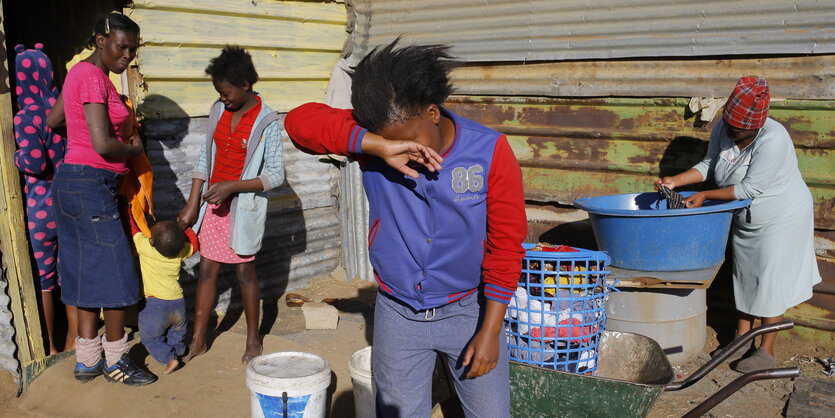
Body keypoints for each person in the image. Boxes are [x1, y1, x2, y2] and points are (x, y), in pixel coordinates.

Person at [285, 40, 527, 417]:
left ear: (433, 112)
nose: (406, 152)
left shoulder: (489, 151)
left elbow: (506, 246)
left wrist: (491, 331)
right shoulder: (375, 143)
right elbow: (299, 123)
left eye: (410, 140)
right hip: (398, 315)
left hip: (469, 312)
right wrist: (373, 144)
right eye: (391, 143)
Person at [655, 76, 821, 373]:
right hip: (745, 217)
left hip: (781, 218)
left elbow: (748, 190)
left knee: (769, 282)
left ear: (757, 125)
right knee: (744, 275)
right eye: (729, 123)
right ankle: (742, 337)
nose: (731, 131)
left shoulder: (774, 139)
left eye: (738, 128)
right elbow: (710, 163)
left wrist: (704, 195)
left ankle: (766, 351)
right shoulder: (724, 127)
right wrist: (676, 181)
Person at [51, 12, 157, 386]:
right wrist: (134, 148)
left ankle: (87, 360)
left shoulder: (79, 75)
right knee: (118, 273)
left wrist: (81, 127)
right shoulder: (93, 78)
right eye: (121, 47)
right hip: (91, 183)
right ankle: (116, 359)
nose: (128, 55)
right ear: (100, 41)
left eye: (133, 49)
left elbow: (54, 121)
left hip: (73, 184)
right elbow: (102, 144)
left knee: (82, 271)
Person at [177, 46, 285, 363]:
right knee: (207, 270)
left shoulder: (267, 122)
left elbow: (276, 175)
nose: (222, 99)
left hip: (243, 211)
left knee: (244, 275)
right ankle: (199, 337)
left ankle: (253, 340)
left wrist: (232, 187)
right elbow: (203, 159)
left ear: (245, 86)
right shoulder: (217, 111)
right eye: (218, 94)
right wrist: (192, 203)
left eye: (226, 94)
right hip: (214, 206)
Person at [13, 43, 78, 354]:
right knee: (69, 275)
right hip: (66, 202)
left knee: (45, 281)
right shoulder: (62, 113)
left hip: (39, 207)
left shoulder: (25, 117)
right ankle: (74, 341)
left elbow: (35, 163)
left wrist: (16, 158)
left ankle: (50, 345)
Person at [129, 214, 198, 374]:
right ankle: (179, 352)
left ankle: (169, 358)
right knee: (177, 332)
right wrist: (185, 227)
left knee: (150, 338)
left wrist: (129, 212)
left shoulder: (146, 248)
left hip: (155, 305)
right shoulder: (182, 251)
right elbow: (194, 244)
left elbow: (133, 230)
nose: (157, 222)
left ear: (152, 241)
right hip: (178, 303)